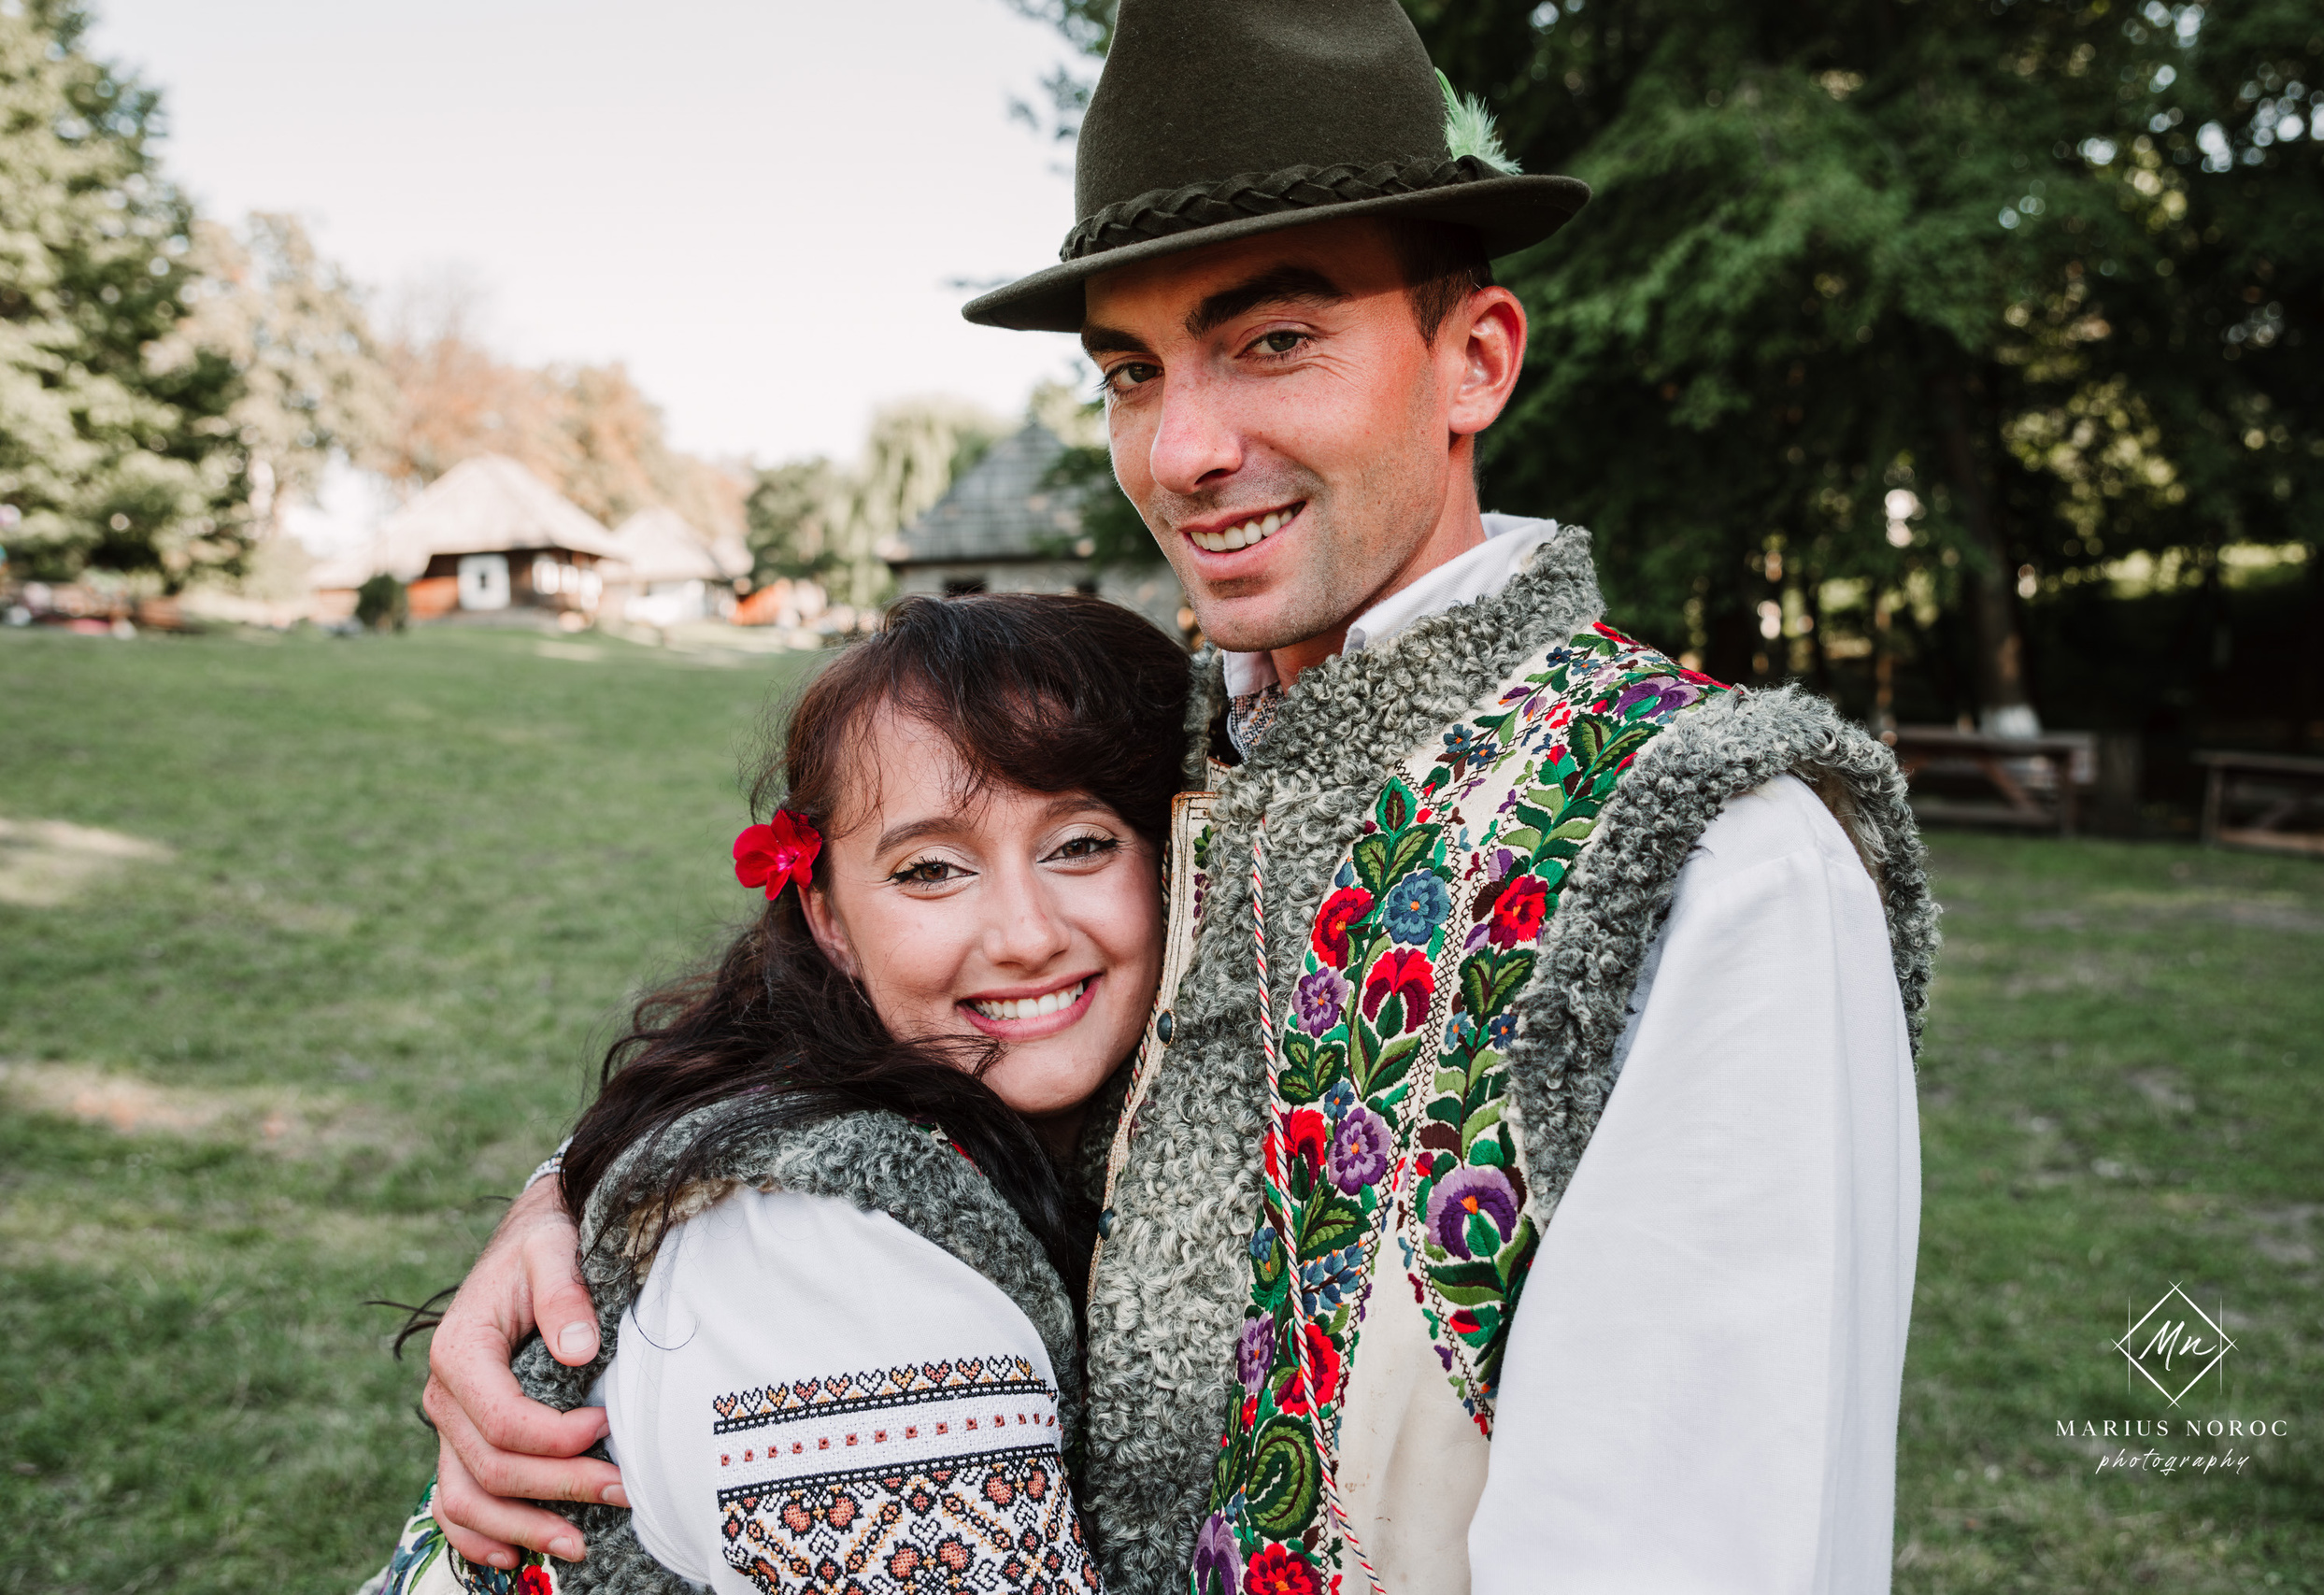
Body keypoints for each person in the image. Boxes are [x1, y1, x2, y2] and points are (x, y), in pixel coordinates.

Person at [424, 3, 1941, 1592]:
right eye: (1134, 371)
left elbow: (1701, 1547)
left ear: (1474, 358)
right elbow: (873, 1014)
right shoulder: (1176, 756)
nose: (1187, 447)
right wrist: (594, 1191)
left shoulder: (1717, 853)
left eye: (1274, 339)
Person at [367, 593, 1189, 1592]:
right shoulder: (824, 1254)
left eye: (1079, 844)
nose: (1024, 933)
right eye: (929, 870)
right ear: (829, 919)